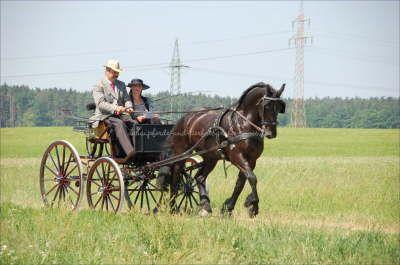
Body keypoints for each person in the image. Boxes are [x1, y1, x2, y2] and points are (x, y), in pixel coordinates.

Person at [90, 59, 136, 161]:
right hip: (104, 116)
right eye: (114, 72)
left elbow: (127, 99)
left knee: (133, 123)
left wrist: (129, 107)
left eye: (117, 72)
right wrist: (116, 108)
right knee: (119, 124)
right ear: (107, 70)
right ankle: (130, 152)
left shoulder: (121, 84)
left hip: (121, 115)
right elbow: (101, 104)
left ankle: (138, 149)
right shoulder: (98, 85)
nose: (116, 74)